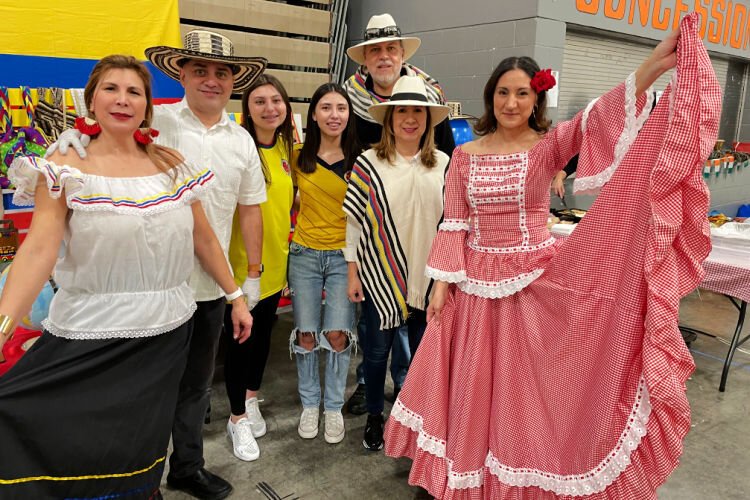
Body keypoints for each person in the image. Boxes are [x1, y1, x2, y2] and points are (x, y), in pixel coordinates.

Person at [383, 14, 722, 499]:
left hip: (534, 288)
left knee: (524, 395)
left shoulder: (547, 148)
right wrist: (441, 284)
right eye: (503, 92)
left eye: (522, 93)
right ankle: (467, 472)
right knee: (472, 390)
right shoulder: (466, 154)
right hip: (473, 291)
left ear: (536, 98)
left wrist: (652, 66)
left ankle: (518, 474)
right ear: (490, 97)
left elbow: (597, 118)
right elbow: (455, 221)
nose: (512, 102)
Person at [0, 55, 253, 500]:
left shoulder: (171, 164)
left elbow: (205, 239)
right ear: (91, 99)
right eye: (111, 89)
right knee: (74, 438)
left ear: (147, 106)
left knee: (140, 445)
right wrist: (2, 328)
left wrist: (235, 294)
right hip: (89, 334)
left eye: (134, 91)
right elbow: (38, 249)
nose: (122, 99)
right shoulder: (63, 162)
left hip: (166, 334)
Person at [343, 12, 456, 416]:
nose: (384, 56)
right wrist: (356, 266)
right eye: (376, 50)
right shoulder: (353, 106)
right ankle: (372, 401)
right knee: (375, 344)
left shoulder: (441, 155)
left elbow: (449, 205)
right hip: (377, 251)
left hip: (424, 258)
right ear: (366, 58)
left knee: (420, 347)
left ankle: (410, 406)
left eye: (391, 48)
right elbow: (354, 206)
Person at [222, 74, 295, 459]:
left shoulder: (285, 147)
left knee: (264, 338)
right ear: (246, 110)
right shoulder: (237, 148)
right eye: (259, 102)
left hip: (274, 268)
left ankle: (251, 399)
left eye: (276, 101)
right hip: (239, 271)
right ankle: (235, 419)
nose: (270, 109)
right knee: (240, 346)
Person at [288, 83, 361, 444]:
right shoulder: (298, 155)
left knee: (336, 334)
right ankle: (310, 403)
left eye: (341, 108)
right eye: (326, 108)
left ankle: (332, 407)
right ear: (314, 114)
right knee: (304, 334)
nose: (334, 115)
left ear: (349, 115)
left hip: (343, 259)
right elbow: (288, 201)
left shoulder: (361, 158)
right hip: (302, 255)